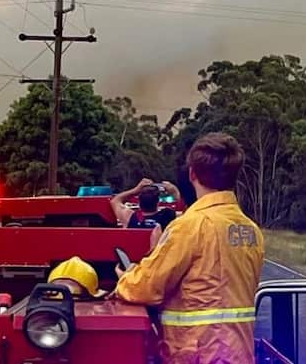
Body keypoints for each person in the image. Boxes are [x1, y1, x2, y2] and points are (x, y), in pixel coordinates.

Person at [112, 132, 264, 364]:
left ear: (192, 173)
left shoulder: (191, 226)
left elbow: (146, 288)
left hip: (199, 355)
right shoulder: (251, 230)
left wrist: (126, 278)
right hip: (238, 355)